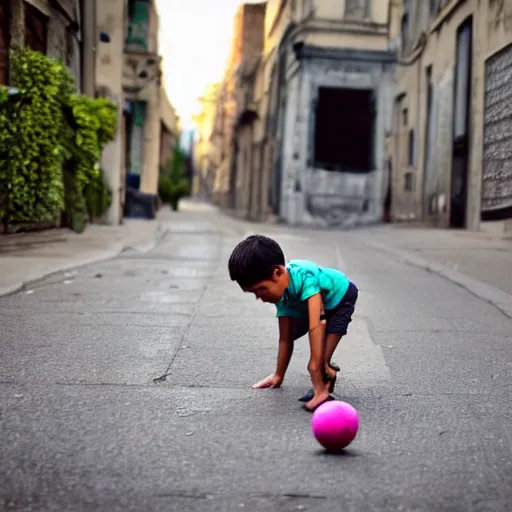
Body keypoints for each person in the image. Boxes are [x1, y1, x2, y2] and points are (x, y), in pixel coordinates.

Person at [228, 234, 358, 412]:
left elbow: (316, 326)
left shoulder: (306, 278)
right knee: (295, 337)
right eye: (254, 293)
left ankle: (324, 384)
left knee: (319, 361)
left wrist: (314, 365)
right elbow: (285, 340)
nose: (260, 298)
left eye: (261, 290)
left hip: (340, 299)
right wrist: (278, 375)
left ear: (278, 273)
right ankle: (325, 373)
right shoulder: (281, 296)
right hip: (307, 308)